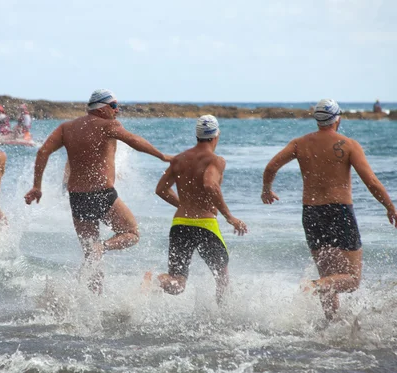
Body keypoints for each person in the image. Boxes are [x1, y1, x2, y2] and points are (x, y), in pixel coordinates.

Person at [261, 99, 397, 321]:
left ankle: (331, 328)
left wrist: (267, 190)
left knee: (329, 277)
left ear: (317, 119)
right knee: (352, 279)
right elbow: (371, 181)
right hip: (339, 211)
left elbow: (271, 167)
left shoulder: (299, 143)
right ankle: (314, 285)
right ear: (338, 118)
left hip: (311, 213)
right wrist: (390, 207)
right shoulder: (348, 145)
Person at [24, 89, 171, 293]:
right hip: (101, 194)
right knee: (131, 233)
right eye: (113, 106)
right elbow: (134, 140)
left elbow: (43, 152)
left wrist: (37, 186)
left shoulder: (67, 128)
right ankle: (104, 246)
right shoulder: (108, 125)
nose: (117, 110)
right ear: (102, 108)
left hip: (77, 198)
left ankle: (93, 302)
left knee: (91, 256)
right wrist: (162, 156)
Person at [143, 115, 247, 304]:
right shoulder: (216, 160)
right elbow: (210, 185)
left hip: (180, 224)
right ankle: (224, 320)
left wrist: (183, 205)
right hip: (205, 225)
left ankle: (156, 281)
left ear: (197, 135)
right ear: (216, 135)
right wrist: (229, 217)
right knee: (222, 278)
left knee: (177, 283)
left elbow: (161, 190)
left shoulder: (179, 159)